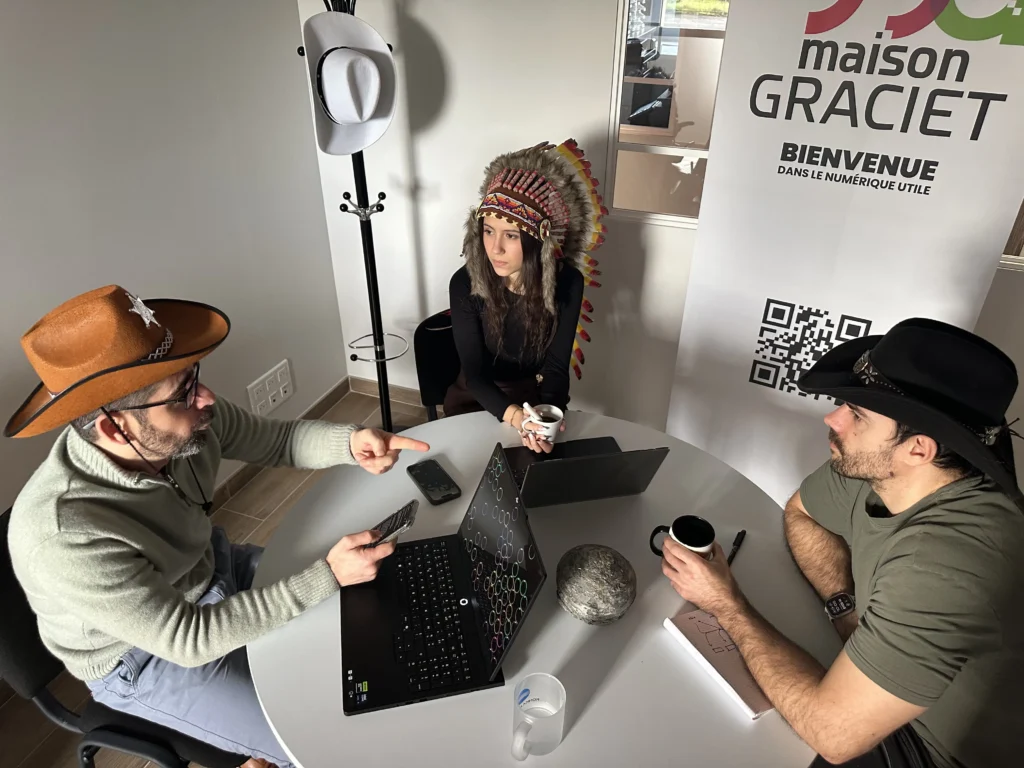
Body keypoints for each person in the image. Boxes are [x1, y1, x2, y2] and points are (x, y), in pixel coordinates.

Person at [5, 285, 429, 768]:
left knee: (379, 605)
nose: (205, 397)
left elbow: (275, 439)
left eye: (193, 376)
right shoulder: (64, 534)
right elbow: (188, 639)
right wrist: (325, 577)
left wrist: (351, 443)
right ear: (114, 429)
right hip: (144, 657)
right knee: (325, 742)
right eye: (182, 393)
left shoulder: (185, 419)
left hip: (213, 571)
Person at [659, 318, 1023, 768]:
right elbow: (801, 512)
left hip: (929, 750)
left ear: (918, 449)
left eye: (859, 415)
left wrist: (726, 604)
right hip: (875, 702)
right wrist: (844, 611)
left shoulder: (945, 566)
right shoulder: (884, 470)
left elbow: (832, 735)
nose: (833, 419)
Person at [445, 139, 607, 453]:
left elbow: (557, 369)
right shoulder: (465, 283)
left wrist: (548, 418)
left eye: (511, 236)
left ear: (538, 240)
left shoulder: (567, 283)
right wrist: (518, 418)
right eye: (488, 231)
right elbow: (476, 376)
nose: (495, 249)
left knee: (541, 473)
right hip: (474, 401)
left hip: (532, 400)